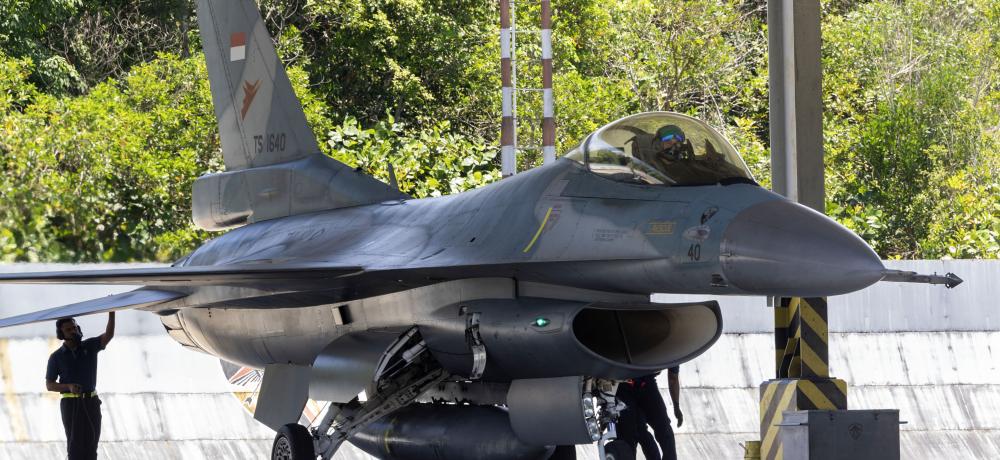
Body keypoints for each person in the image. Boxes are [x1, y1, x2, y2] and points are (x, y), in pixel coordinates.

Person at [46, 313, 115, 460]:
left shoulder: (89, 346)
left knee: (92, 447)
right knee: (76, 449)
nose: (74, 331)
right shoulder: (56, 357)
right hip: (71, 405)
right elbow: (49, 385)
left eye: (75, 327)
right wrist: (68, 386)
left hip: (91, 402)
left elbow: (108, 335)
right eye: (69, 330)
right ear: (61, 334)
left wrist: (112, 313)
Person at [616, 368, 683, 460]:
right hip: (621, 386)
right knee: (630, 435)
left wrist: (676, 406)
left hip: (646, 384)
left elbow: (673, 378)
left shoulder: (671, 355)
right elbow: (673, 378)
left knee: (663, 427)